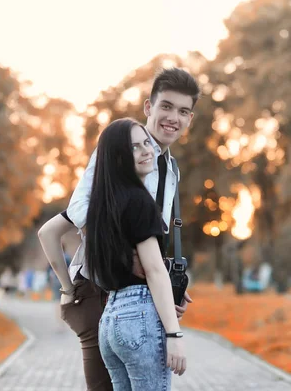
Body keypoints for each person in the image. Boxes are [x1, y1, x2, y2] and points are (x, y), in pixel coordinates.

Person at [38, 67, 200, 391]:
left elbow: (154, 240)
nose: (173, 118)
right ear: (148, 108)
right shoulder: (120, 150)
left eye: (183, 111)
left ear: (190, 119)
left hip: (137, 295)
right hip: (100, 289)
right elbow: (81, 210)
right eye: (166, 106)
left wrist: (166, 289)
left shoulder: (170, 168)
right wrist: (74, 287)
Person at [90, 118, 186, 389]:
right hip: (139, 316)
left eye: (147, 142)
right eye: (135, 147)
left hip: (111, 319)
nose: (147, 150)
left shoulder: (104, 205)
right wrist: (174, 334)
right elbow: (154, 270)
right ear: (118, 158)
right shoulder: (140, 201)